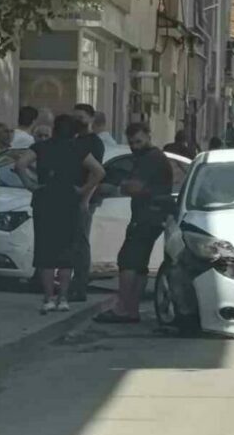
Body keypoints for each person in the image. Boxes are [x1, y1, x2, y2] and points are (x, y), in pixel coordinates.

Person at [15, 115, 105, 314]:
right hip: (69, 202)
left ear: (54, 129)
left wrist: (31, 185)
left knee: (46, 252)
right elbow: (99, 171)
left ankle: (48, 299)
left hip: (45, 201)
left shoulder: (42, 147)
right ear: (73, 132)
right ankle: (63, 298)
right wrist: (83, 190)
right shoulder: (79, 149)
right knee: (67, 252)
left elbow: (20, 164)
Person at [94, 122, 174, 324]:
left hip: (147, 216)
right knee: (138, 265)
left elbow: (135, 187)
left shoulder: (151, 158)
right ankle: (131, 309)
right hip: (152, 216)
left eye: (138, 141)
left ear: (148, 136)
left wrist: (119, 186)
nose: (135, 146)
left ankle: (124, 308)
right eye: (131, 143)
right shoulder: (149, 157)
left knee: (128, 261)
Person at [70, 103, 105, 303]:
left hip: (85, 198)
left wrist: (86, 197)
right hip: (72, 197)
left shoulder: (94, 143)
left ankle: (80, 287)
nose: (78, 121)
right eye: (75, 117)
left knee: (81, 243)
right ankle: (72, 284)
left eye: (81, 117)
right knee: (73, 242)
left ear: (91, 119)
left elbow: (96, 173)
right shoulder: (74, 140)